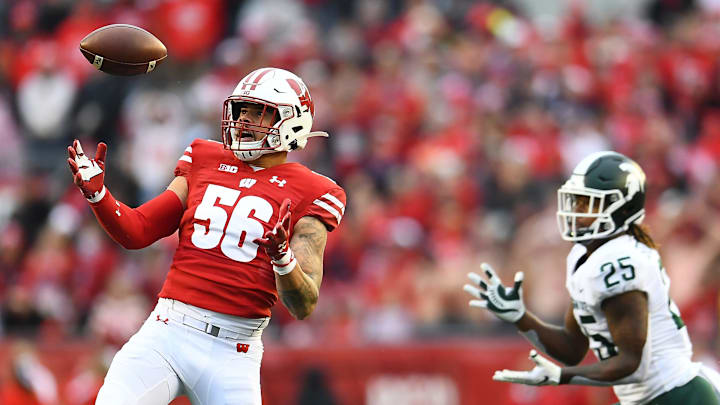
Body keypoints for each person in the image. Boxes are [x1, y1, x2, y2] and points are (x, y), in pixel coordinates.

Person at [67, 67, 346, 405]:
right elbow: (138, 230)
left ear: (292, 121)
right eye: (241, 109)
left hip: (233, 351)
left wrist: (282, 258)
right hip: (166, 331)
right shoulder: (204, 157)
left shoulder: (315, 190)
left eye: (258, 111)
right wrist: (99, 196)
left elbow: (303, 304)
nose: (243, 120)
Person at [463, 151, 720, 405]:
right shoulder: (583, 257)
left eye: (587, 202)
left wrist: (562, 377)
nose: (576, 210)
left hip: (676, 395)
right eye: (576, 200)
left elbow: (633, 365)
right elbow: (572, 348)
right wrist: (520, 317)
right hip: (648, 398)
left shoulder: (621, 261)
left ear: (619, 207)